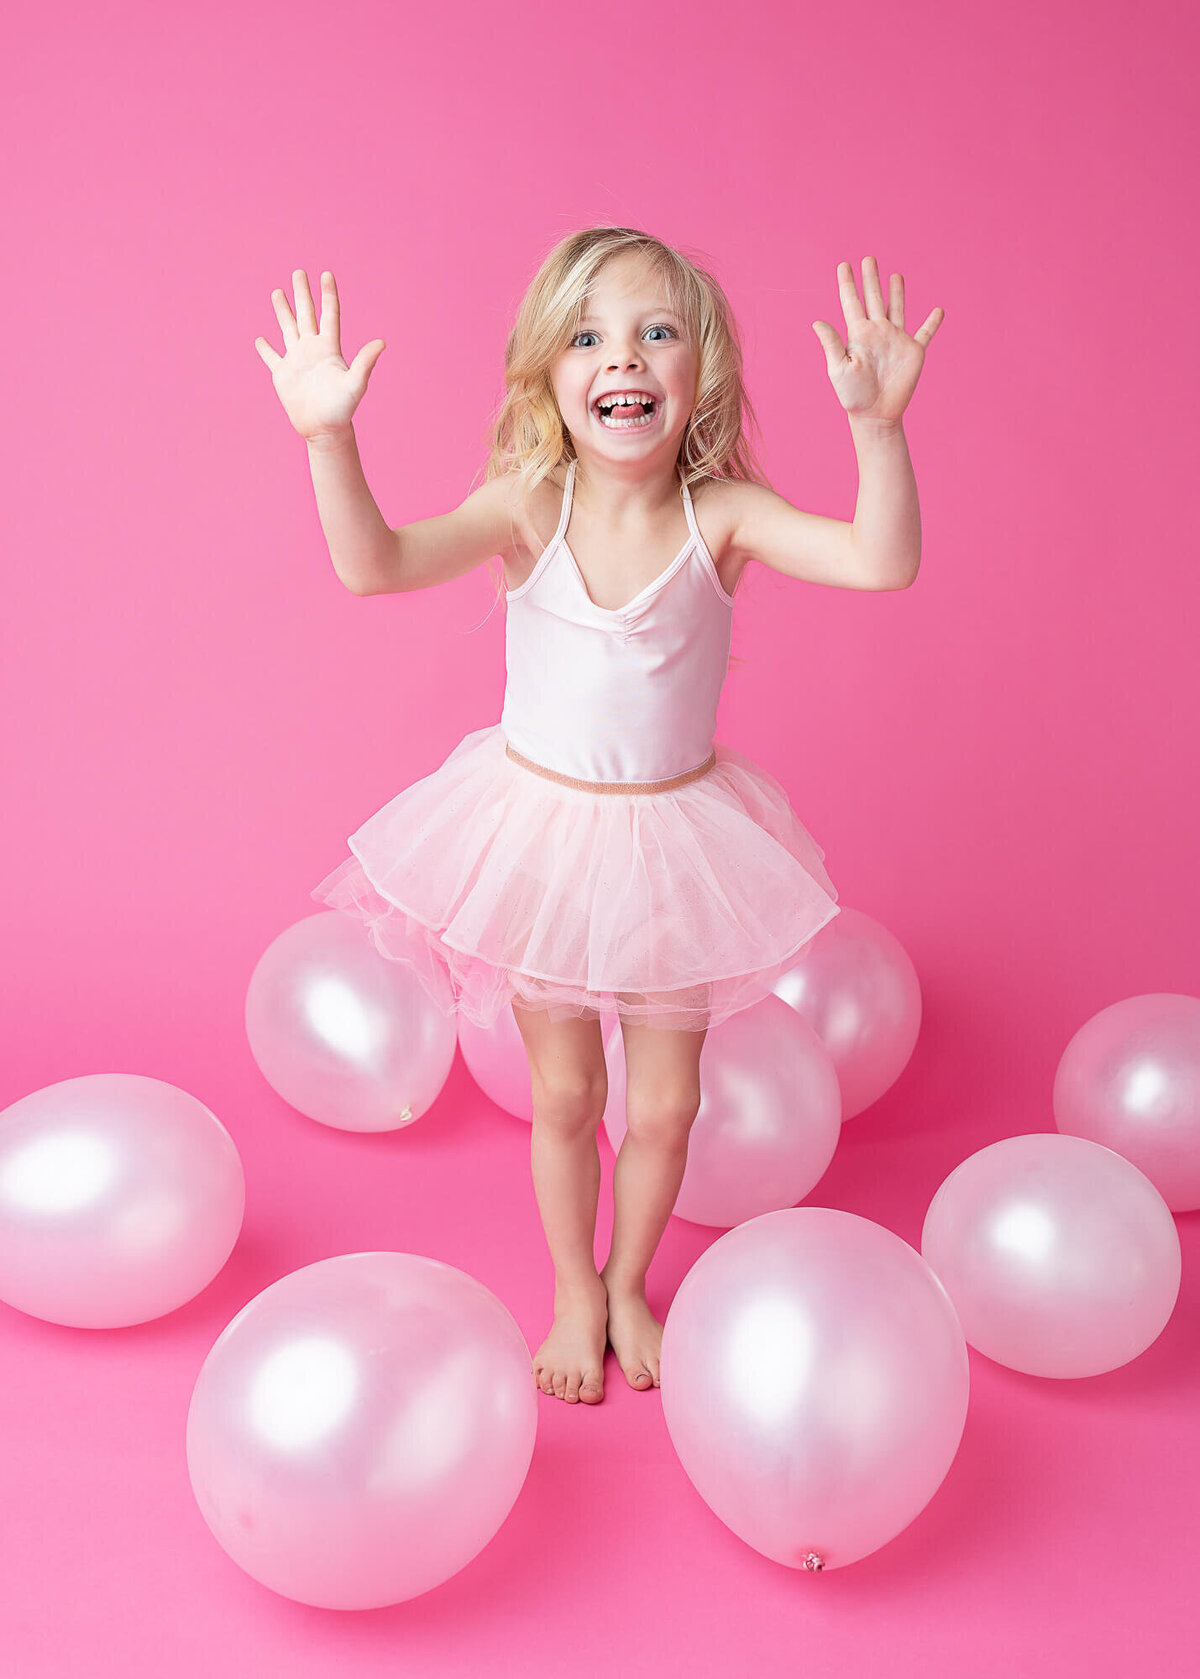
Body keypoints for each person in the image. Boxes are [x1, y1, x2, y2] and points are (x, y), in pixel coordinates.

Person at [254, 227, 942, 1408]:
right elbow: (376, 564)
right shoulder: (529, 504)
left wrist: (877, 429)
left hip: (677, 839)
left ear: (698, 375)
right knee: (567, 1095)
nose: (622, 356)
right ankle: (575, 1288)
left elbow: (882, 564)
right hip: (546, 839)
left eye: (654, 332)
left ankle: (630, 1279)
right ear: (548, 376)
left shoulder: (721, 514)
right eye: (588, 337)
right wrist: (330, 437)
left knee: (667, 1100)